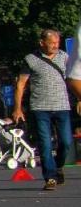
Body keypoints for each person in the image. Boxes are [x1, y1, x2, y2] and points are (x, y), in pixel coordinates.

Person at [13, 28, 72, 191]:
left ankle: (58, 166)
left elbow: (73, 79)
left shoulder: (64, 57)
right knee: (45, 144)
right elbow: (20, 84)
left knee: (66, 142)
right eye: (52, 43)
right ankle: (50, 177)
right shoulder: (31, 59)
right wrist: (17, 108)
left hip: (62, 106)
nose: (56, 45)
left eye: (57, 42)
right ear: (42, 43)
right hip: (40, 108)